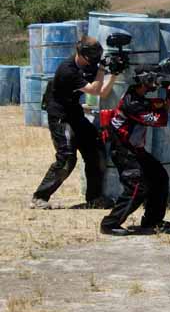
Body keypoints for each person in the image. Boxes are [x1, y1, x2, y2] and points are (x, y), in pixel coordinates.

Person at [30, 36, 117, 209]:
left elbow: (102, 93)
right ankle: (40, 197)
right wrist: (101, 68)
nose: (94, 61)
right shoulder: (67, 69)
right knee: (67, 157)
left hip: (75, 114)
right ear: (81, 54)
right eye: (91, 58)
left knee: (96, 151)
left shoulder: (88, 66)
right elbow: (94, 89)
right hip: (60, 116)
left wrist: (114, 74)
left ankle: (94, 198)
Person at [99, 68, 170, 236]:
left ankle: (152, 220)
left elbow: (154, 104)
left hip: (134, 149)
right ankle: (110, 224)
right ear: (143, 82)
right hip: (123, 150)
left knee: (159, 177)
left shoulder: (137, 97)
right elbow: (159, 120)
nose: (154, 83)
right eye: (151, 80)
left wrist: (168, 99)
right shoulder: (133, 104)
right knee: (136, 186)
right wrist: (168, 102)